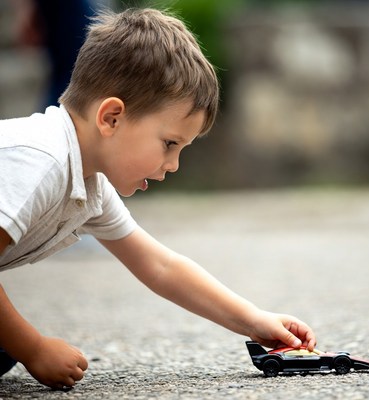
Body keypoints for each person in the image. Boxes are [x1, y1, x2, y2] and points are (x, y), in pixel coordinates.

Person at [0, 7, 316, 390]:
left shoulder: (89, 184)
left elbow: (159, 266)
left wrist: (254, 320)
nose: (174, 165)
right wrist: (33, 348)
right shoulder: (42, 160)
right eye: (169, 144)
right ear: (111, 117)